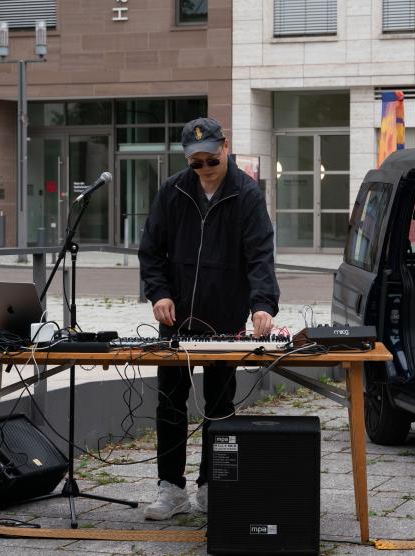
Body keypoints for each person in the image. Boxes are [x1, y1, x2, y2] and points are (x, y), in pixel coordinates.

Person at [138, 116, 279, 520]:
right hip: (176, 319)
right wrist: (159, 293)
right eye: (195, 163)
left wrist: (262, 305)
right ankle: (171, 488)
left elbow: (259, 257)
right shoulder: (173, 191)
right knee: (170, 403)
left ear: (225, 148)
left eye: (210, 160)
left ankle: (211, 484)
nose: (204, 169)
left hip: (224, 318)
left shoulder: (247, 196)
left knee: (219, 404)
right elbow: (151, 251)